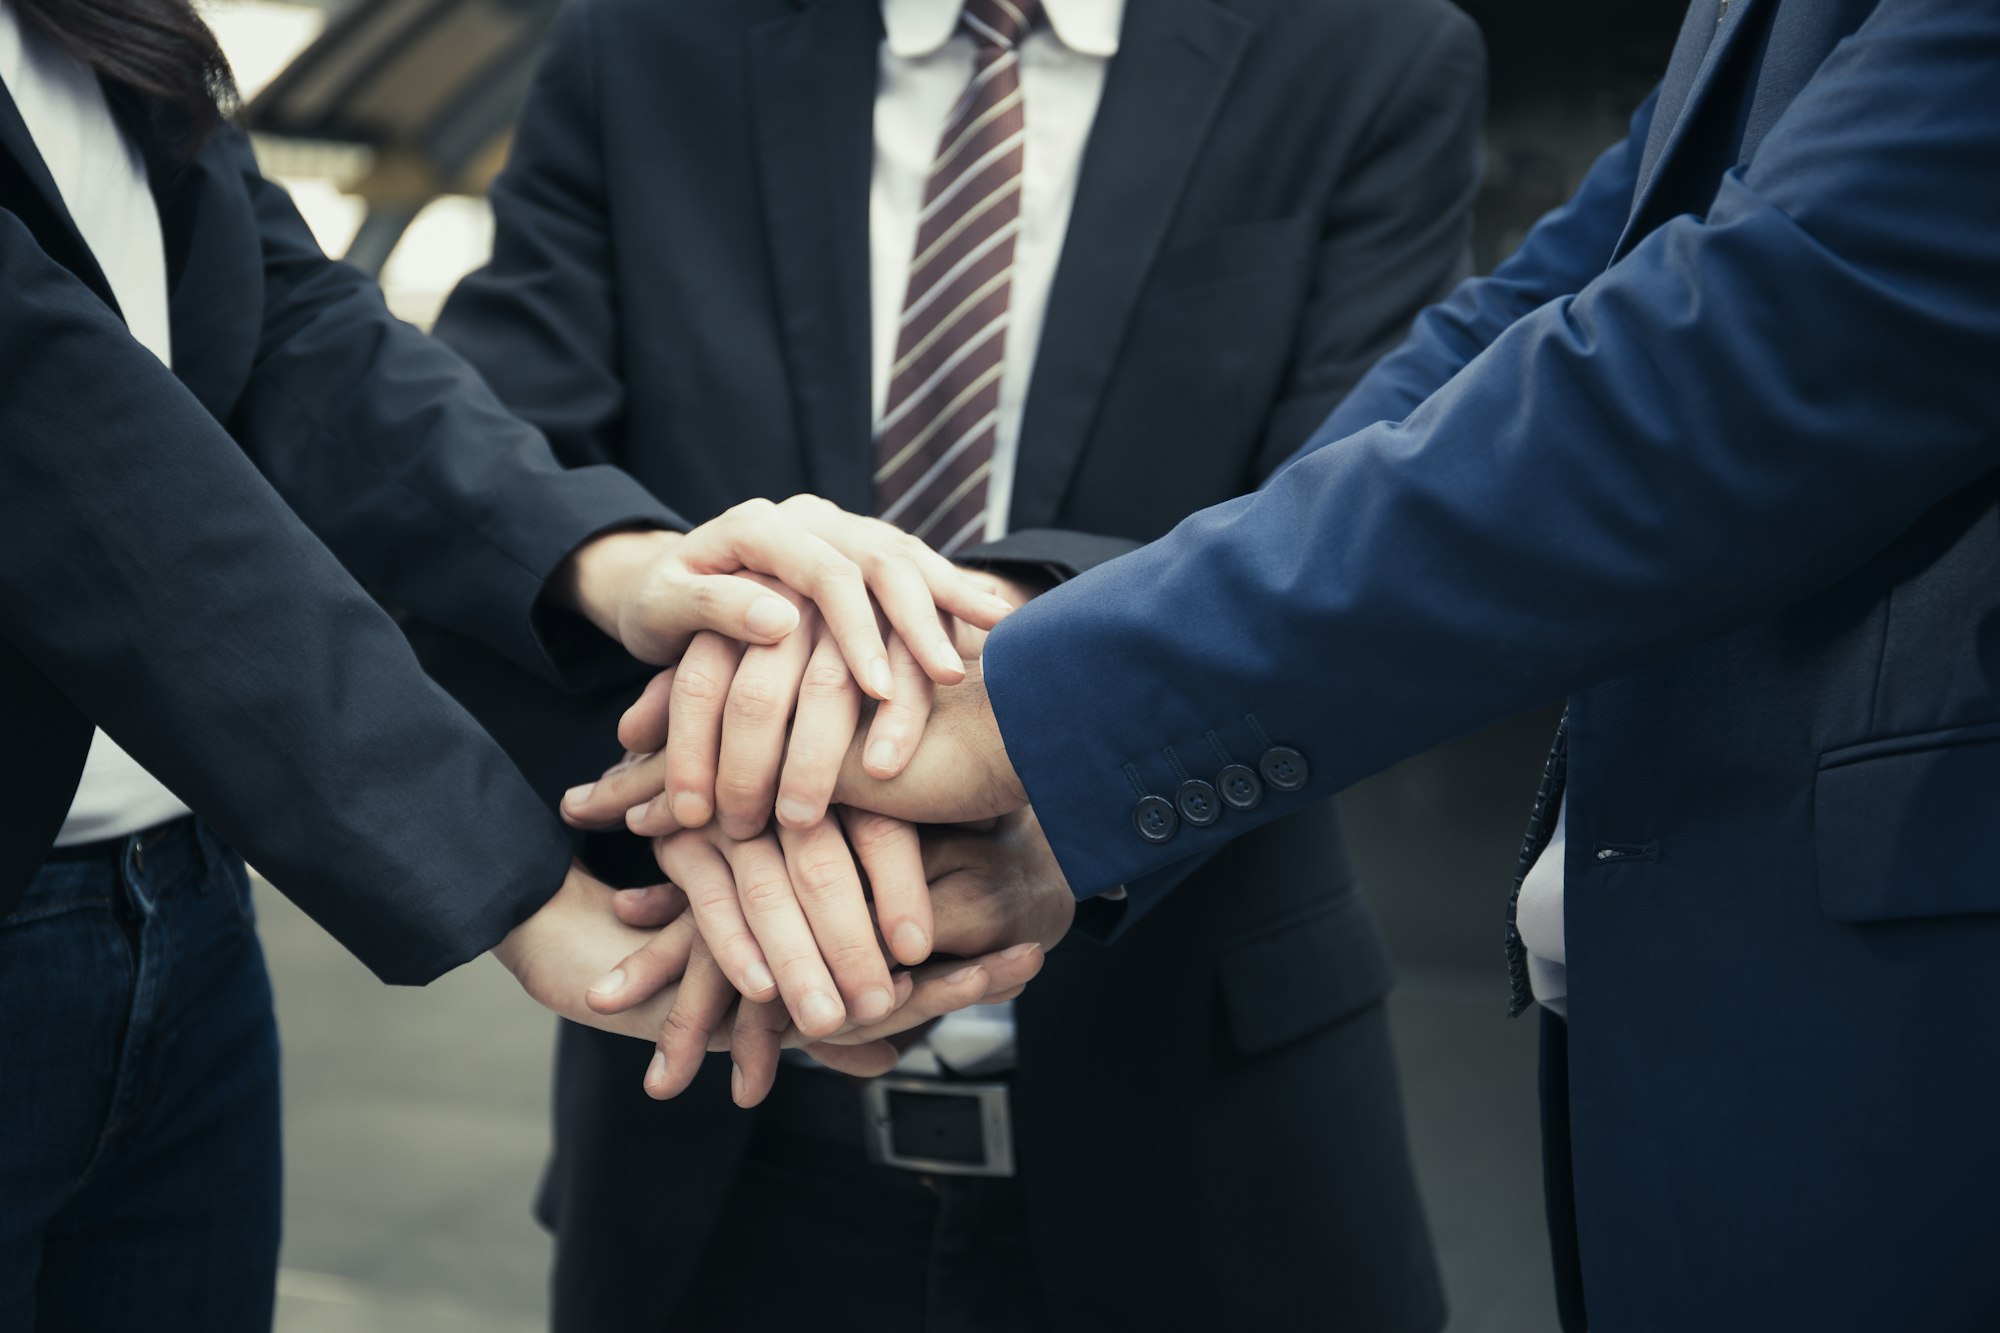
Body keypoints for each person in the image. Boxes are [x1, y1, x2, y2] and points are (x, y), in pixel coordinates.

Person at [629, 0, 2000, 1325]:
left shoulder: (1360, 50)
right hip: (1741, 1053)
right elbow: (1536, 313)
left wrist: (1022, 716)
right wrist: (1041, 690)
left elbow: (1775, 331)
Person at [428, 0, 1485, 1326]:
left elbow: (1353, 530)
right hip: (720, 1123)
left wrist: (1007, 699)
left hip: (1202, 1131)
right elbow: (493, 489)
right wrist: (725, 723)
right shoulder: (644, 44)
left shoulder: (1365, 48)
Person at [0, 3, 1035, 1326]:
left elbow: (282, 320)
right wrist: (514, 883)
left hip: (181, 904)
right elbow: (70, 449)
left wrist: (627, 565)